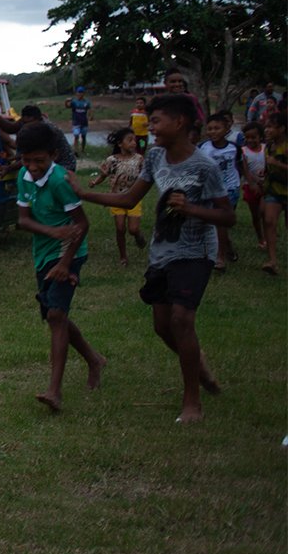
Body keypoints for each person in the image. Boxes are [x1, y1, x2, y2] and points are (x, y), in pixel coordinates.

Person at [70, 93, 233, 422]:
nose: (149, 126)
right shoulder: (156, 156)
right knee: (162, 326)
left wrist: (191, 209)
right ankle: (198, 365)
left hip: (195, 252)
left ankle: (192, 402)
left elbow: (228, 217)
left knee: (181, 321)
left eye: (155, 120)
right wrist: (86, 193)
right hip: (163, 252)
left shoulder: (204, 165)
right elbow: (130, 199)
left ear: (179, 122)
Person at [15, 122, 106, 412]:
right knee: (56, 316)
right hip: (44, 254)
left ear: (53, 155)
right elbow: (23, 220)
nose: (33, 166)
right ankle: (94, 359)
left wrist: (66, 264)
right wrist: (53, 233)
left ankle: (54, 391)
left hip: (70, 253)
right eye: (26, 160)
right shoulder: (24, 176)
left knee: (55, 315)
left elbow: (82, 224)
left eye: (39, 161)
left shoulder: (61, 181)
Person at [90, 128, 147, 266]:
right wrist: (95, 182)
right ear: (120, 144)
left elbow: (146, 176)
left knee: (133, 229)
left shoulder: (139, 159)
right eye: (130, 140)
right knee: (120, 228)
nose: (134, 143)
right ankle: (123, 257)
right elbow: (104, 174)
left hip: (134, 197)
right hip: (116, 198)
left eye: (135, 140)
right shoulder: (112, 160)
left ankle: (138, 235)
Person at [199, 112, 242, 271]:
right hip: (209, 189)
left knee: (219, 221)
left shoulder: (234, 148)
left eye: (217, 128)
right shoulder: (203, 147)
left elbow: (240, 166)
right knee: (209, 222)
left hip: (229, 189)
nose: (213, 132)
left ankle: (220, 257)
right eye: (210, 129)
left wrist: (250, 181)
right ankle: (227, 245)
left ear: (226, 129)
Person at [262, 112, 287, 276]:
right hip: (274, 190)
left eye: (271, 127)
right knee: (269, 221)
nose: (267, 130)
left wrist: (277, 163)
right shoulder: (269, 146)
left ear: (282, 129)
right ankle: (272, 261)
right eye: (266, 126)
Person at [239, 121, 267, 249]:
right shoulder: (243, 151)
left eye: (253, 137)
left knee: (263, 212)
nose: (250, 140)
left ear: (260, 137)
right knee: (255, 215)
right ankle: (260, 238)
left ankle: (267, 237)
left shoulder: (265, 149)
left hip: (266, 186)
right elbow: (245, 170)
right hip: (250, 186)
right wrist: (253, 183)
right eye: (247, 137)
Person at [65, 86, 93, 153]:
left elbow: (89, 109)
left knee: (83, 137)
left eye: (81, 92)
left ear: (84, 93)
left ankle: (83, 150)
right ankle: (75, 151)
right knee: (76, 136)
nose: (80, 94)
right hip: (76, 122)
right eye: (79, 92)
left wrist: (90, 116)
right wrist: (66, 101)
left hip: (84, 122)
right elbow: (67, 106)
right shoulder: (74, 102)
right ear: (76, 93)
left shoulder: (86, 102)